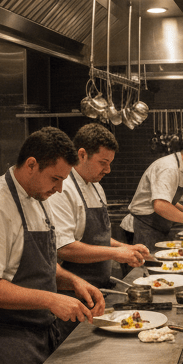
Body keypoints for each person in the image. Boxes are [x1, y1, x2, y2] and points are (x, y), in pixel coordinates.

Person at [0, 127, 105, 364]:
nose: (60, 189)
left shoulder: (39, 199)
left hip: (39, 334)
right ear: (31, 165)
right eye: (55, 178)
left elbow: (42, 263)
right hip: (6, 341)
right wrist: (52, 299)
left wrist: (73, 282)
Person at [50, 124, 150, 290]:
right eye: (103, 162)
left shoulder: (96, 186)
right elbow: (64, 248)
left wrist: (125, 247)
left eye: (109, 163)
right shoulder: (63, 189)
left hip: (98, 286)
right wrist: (116, 254)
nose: (108, 170)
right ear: (82, 155)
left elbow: (97, 240)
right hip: (72, 291)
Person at [120, 139, 183, 252]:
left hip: (154, 227)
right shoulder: (169, 168)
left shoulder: (176, 167)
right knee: (145, 268)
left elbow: (168, 201)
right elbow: (160, 205)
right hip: (143, 228)